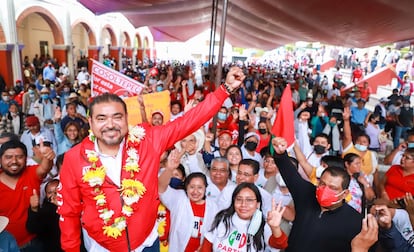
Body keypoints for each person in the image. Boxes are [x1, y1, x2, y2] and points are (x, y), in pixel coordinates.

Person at [57, 67, 246, 251]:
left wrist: (225, 90)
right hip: (101, 247)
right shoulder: (74, 158)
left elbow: (189, 121)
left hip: (147, 243)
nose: (110, 125)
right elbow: (69, 212)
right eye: (101, 118)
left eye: (117, 117)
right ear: (90, 122)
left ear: (126, 119)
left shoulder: (148, 140)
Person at [271, 137, 362, 252]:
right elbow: (290, 175)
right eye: (323, 184)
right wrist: (280, 154)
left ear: (345, 193)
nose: (325, 190)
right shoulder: (307, 193)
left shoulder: (355, 221)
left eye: (333, 188)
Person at [0, 140, 55, 250]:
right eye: (8, 157)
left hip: (32, 244)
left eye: (19, 157)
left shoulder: (31, 173)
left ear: (26, 159)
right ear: (1, 159)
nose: (14, 161)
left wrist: (47, 157)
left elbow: (44, 168)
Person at [158, 150, 218, 252]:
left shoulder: (213, 206)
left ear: (205, 189)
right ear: (186, 187)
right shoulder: (179, 198)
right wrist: (169, 169)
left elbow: (214, 233)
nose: (195, 191)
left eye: (200, 187)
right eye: (192, 187)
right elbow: (161, 188)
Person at [201, 182, 288, 251]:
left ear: (257, 204)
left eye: (249, 200)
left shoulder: (263, 224)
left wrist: (275, 227)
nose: (243, 204)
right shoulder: (223, 218)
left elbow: (280, 244)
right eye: (239, 199)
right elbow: (207, 244)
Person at [26, 179, 62, 252]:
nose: (54, 194)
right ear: (45, 195)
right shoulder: (45, 212)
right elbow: (32, 229)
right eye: (50, 192)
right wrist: (34, 209)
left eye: (57, 189)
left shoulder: (74, 205)